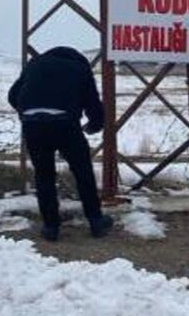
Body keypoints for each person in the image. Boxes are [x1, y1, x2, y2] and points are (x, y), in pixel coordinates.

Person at [7, 46, 114, 241]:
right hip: (65, 123)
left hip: (33, 124)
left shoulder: (34, 64)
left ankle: (51, 227)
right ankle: (96, 221)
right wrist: (95, 124)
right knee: (82, 171)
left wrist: (29, 112)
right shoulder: (80, 68)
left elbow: (13, 96)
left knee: (44, 174)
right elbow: (92, 101)